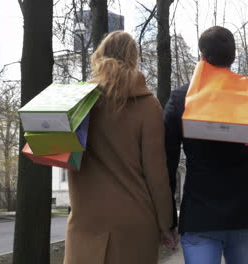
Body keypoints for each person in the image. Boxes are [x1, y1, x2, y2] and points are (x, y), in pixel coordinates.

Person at [64, 31, 176, 264]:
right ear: (134, 59)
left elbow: (66, 159)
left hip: (86, 221)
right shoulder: (147, 105)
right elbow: (156, 173)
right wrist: (166, 224)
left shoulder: (78, 102)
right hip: (134, 223)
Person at [164, 26, 248, 264]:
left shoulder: (182, 99)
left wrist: (168, 219)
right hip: (246, 211)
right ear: (232, 57)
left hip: (200, 213)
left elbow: (167, 162)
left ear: (201, 56)